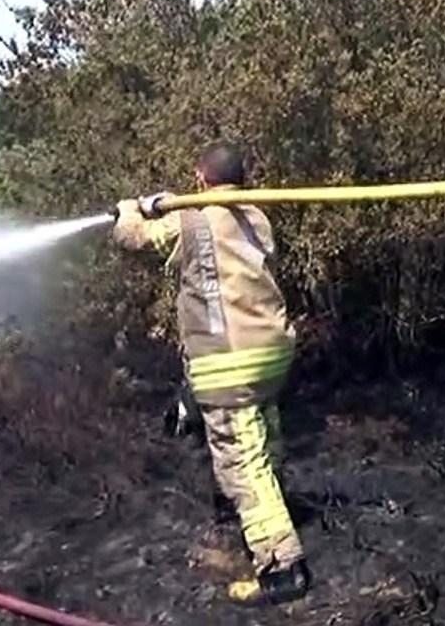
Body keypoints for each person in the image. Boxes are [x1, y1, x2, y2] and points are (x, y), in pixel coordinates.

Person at [111, 141, 310, 607]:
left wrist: (128, 210)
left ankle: (282, 566)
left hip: (228, 358)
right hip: (271, 351)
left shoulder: (194, 217)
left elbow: (134, 236)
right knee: (264, 433)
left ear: (201, 178)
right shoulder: (256, 215)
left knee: (242, 462)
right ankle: (270, 512)